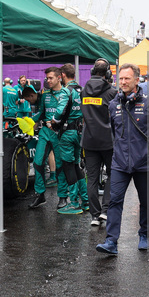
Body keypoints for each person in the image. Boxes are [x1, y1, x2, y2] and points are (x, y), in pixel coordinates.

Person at [96, 63, 149, 255]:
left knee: (145, 201)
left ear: (137, 80)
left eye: (128, 78)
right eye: (121, 78)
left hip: (144, 163)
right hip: (120, 163)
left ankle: (144, 234)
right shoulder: (113, 104)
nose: (124, 82)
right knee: (114, 201)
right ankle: (111, 241)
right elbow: (113, 131)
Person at [24, 67, 67, 209]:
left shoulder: (67, 94)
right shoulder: (45, 95)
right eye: (47, 78)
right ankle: (40, 194)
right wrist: (28, 120)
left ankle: (62, 197)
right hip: (44, 133)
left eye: (50, 78)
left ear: (59, 78)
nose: (48, 81)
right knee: (37, 162)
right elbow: (41, 113)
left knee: (60, 165)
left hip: (59, 134)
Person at [81, 58, 117, 226]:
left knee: (92, 179)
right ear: (108, 73)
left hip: (89, 140)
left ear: (92, 71)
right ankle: (105, 211)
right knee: (112, 175)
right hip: (108, 141)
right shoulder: (112, 92)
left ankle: (95, 216)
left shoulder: (83, 91)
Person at [58, 63, 88, 214]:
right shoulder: (81, 90)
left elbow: (59, 113)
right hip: (80, 132)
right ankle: (86, 201)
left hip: (68, 133)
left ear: (63, 75)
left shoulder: (66, 91)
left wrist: (54, 122)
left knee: (68, 166)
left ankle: (74, 203)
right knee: (76, 165)